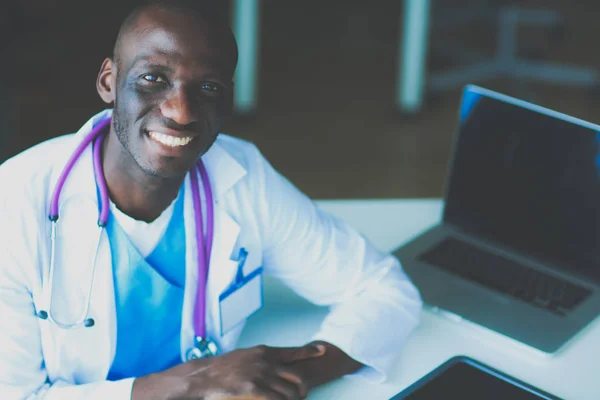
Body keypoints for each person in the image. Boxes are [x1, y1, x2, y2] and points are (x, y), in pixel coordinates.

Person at [0, 1, 422, 399]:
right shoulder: (16, 203)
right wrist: (192, 383)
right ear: (108, 82)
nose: (182, 111)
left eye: (208, 86)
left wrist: (292, 377)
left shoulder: (243, 179)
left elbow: (383, 288)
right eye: (153, 78)